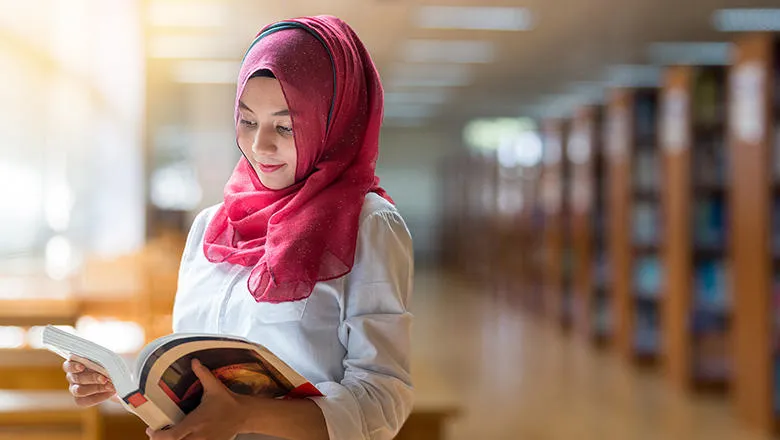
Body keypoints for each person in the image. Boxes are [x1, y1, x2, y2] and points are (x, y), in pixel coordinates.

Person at [61, 15, 414, 440]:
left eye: (285, 126)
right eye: (248, 121)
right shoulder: (213, 225)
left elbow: (382, 400)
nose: (260, 146)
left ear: (332, 121)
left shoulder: (369, 224)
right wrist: (128, 382)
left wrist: (246, 416)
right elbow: (199, 372)